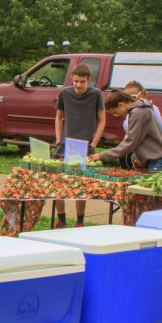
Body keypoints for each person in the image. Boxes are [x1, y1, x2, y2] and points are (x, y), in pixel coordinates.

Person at [52, 62, 106, 227]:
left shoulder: (96, 94)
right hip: (66, 143)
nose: (78, 85)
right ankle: (61, 219)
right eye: (76, 81)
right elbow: (59, 117)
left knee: (80, 184)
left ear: (89, 80)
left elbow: (102, 120)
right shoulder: (64, 93)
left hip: (85, 144)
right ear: (72, 79)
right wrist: (59, 139)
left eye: (82, 81)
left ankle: (80, 221)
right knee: (58, 180)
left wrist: (94, 142)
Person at [98, 89, 162, 172]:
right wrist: (138, 160)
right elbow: (139, 139)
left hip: (157, 161)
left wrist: (103, 156)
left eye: (115, 112)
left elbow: (131, 141)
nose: (117, 115)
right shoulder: (137, 111)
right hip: (154, 160)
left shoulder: (137, 113)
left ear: (121, 105)